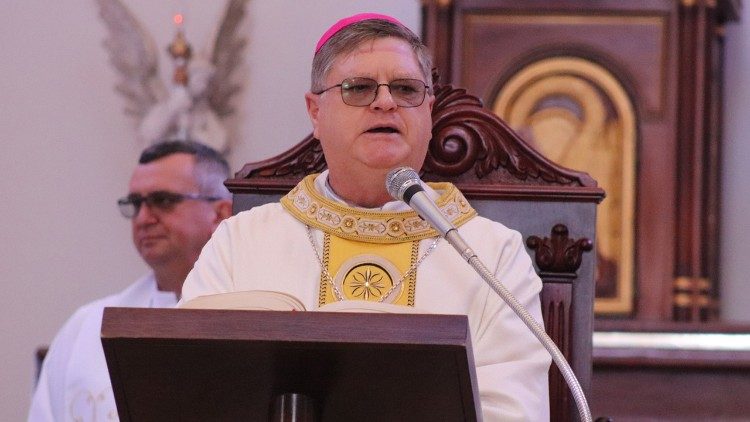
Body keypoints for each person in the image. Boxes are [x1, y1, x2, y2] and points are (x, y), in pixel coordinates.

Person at [179, 13, 551, 421]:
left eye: (406, 89)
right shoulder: (242, 242)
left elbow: (514, 412)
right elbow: (193, 388)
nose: (385, 102)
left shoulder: (490, 254)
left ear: (428, 111)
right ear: (315, 111)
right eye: (359, 88)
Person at [28, 140, 233, 421]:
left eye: (163, 200)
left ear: (220, 214)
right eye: (135, 204)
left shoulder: (255, 319)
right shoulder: (87, 328)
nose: (143, 218)